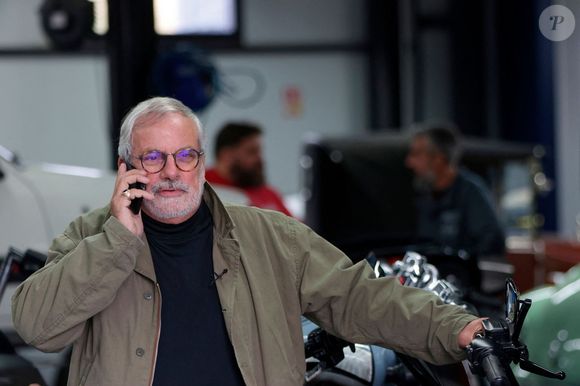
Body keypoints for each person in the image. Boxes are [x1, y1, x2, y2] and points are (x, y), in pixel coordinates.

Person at [12, 97, 484, 386]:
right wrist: (117, 240)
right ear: (126, 168)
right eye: (153, 157)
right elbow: (38, 327)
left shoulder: (271, 237)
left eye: (185, 156)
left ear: (200, 162)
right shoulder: (90, 237)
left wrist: (456, 330)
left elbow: (359, 297)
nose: (172, 171)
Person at [405, 124, 506, 259]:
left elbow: (492, 242)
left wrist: (459, 263)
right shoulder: (423, 196)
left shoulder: (470, 193)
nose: (409, 162)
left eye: (416, 154)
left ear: (438, 159)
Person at [205, 122, 292, 216]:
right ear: (227, 155)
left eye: (260, 152)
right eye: (252, 152)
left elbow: (297, 228)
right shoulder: (202, 188)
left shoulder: (269, 193)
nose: (260, 159)